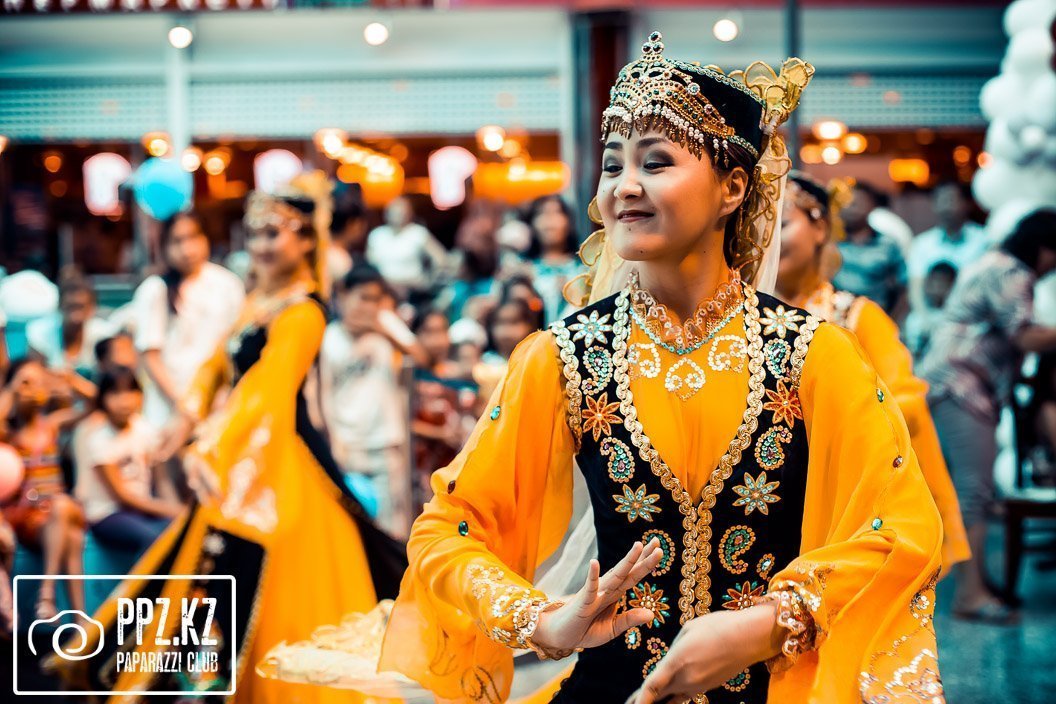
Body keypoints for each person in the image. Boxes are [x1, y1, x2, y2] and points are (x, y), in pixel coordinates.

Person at [276, 34, 945, 704]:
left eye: (656, 162)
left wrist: (772, 622)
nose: (625, 186)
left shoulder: (812, 353)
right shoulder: (565, 356)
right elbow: (449, 527)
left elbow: (904, 529)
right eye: (612, 164)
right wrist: (539, 619)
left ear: (733, 188)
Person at [52, 174, 406, 702]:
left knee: (255, 571)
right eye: (255, 234)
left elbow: (268, 388)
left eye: (274, 234)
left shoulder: (304, 311)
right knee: (201, 564)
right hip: (244, 449)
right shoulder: (260, 301)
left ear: (306, 241)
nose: (261, 246)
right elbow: (216, 366)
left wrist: (210, 445)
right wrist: (186, 419)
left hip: (282, 459)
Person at [775, 171, 969, 577]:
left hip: (845, 499)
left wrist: (841, 428)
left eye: (783, 224)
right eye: (759, 229)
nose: (769, 240)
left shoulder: (857, 317)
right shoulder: (744, 322)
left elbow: (905, 403)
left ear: (820, 228)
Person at [918, 208, 1056, 623]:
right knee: (973, 491)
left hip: (953, 382)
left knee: (970, 490)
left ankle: (977, 581)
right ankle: (970, 595)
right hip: (961, 384)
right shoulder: (1011, 271)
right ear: (1044, 247)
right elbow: (1024, 334)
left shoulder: (996, 262)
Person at [321, 263, 411, 538]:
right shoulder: (329, 338)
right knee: (353, 528)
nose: (368, 307)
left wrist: (386, 327)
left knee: (393, 528)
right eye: (363, 298)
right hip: (347, 445)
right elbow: (323, 393)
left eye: (375, 300)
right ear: (343, 295)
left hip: (386, 443)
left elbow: (423, 358)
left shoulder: (385, 335)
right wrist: (334, 440)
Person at [133, 212, 244, 433]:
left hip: (218, 405)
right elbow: (150, 355)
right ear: (164, 247)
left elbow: (234, 345)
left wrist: (221, 395)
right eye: (177, 241)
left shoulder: (228, 284)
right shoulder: (155, 289)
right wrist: (182, 405)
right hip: (168, 409)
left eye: (193, 237)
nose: (187, 249)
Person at [0, 358, 87, 620]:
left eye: (37, 382)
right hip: (29, 516)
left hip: (56, 511)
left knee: (62, 508)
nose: (32, 388)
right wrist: (12, 389)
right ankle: (75, 617)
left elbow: (94, 404)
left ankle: (49, 598)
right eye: (26, 383)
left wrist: (71, 381)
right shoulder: (9, 434)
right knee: (73, 536)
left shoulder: (51, 425)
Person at [76, 366, 181, 554]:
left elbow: (162, 479)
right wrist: (169, 509)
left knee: (182, 532)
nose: (124, 400)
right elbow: (123, 497)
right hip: (108, 514)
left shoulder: (144, 429)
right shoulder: (99, 440)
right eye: (115, 393)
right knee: (152, 538)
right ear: (103, 399)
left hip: (141, 511)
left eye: (130, 391)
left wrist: (177, 511)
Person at [908, 182, 989, 310]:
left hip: (973, 315)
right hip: (931, 315)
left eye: (951, 200)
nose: (945, 207)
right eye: (940, 200)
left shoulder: (984, 240)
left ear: (967, 204)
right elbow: (916, 290)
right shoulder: (922, 244)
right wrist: (926, 317)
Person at [832, 181, 908, 318]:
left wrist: (892, 320)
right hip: (832, 319)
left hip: (875, 319)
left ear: (872, 205)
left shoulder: (887, 244)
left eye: (858, 202)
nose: (851, 207)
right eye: (847, 201)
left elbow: (903, 287)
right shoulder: (830, 242)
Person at [26, 273, 114, 389]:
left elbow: (111, 384)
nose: (75, 315)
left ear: (92, 308)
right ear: (59, 306)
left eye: (80, 307)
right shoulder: (39, 333)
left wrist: (72, 381)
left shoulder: (104, 335)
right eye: (70, 307)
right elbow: (35, 377)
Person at [366, 195, 448, 301]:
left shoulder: (418, 233)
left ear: (410, 212)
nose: (397, 214)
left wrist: (429, 282)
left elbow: (441, 259)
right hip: (383, 291)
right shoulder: (377, 234)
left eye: (401, 210)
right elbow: (369, 264)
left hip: (413, 291)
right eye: (393, 210)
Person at [524, 195, 586, 324]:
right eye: (542, 213)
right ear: (531, 223)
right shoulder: (523, 271)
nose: (549, 221)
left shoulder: (584, 269)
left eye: (556, 212)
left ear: (569, 222)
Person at [903, 261, 957, 360]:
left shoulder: (955, 320)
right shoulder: (915, 318)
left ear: (953, 286)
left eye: (942, 284)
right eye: (933, 282)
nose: (936, 288)